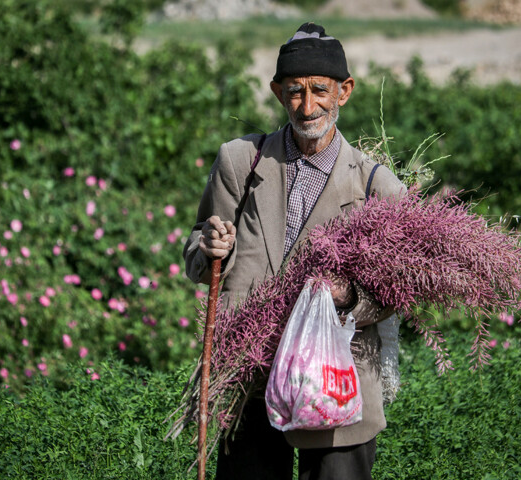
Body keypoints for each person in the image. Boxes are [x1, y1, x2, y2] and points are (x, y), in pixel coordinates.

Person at [183, 22, 406, 480]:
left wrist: (350, 297)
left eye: (319, 91)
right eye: (295, 92)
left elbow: (399, 291)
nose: (307, 107)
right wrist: (209, 248)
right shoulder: (241, 161)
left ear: (344, 91)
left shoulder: (375, 185)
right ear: (277, 92)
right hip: (249, 374)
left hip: (334, 385)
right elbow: (197, 251)